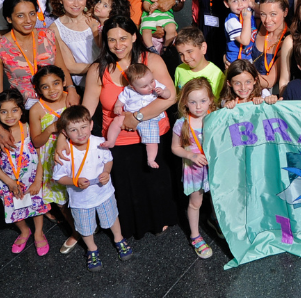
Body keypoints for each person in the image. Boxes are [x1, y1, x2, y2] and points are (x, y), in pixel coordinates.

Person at [69, 15, 179, 239]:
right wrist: (67, 134)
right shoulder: (97, 70)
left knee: (156, 183)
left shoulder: (152, 60)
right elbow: (87, 110)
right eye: (111, 40)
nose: (118, 45)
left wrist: (137, 117)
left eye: (123, 38)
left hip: (155, 135)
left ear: (134, 36)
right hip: (120, 140)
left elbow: (170, 97)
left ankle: (161, 219)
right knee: (130, 188)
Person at [0, 0, 78, 149]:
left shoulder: (48, 36)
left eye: (31, 13)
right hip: (25, 111)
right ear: (9, 19)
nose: (28, 20)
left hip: (55, 101)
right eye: (20, 16)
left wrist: (71, 89)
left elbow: (61, 68)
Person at [52, 105, 134, 272]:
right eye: (73, 130)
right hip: (81, 200)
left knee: (112, 217)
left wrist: (106, 171)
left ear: (90, 125)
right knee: (85, 226)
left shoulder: (98, 142)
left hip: (104, 193)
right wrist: (74, 181)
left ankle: (119, 238)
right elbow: (58, 177)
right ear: (65, 133)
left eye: (83, 127)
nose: (80, 133)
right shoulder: (64, 152)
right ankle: (92, 249)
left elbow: (108, 160)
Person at [0, 89, 50, 255]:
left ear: (22, 110)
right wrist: (9, 182)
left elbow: (41, 155)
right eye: (3, 112)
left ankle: (38, 232)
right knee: (14, 209)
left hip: (31, 179)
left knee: (37, 206)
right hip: (8, 182)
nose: (9, 116)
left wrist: (37, 180)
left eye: (14, 110)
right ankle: (24, 231)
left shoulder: (30, 129)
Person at [28, 65, 81, 254]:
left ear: (64, 82)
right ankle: (76, 231)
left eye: (56, 83)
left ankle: (87, 224)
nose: (52, 90)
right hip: (52, 160)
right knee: (62, 202)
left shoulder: (71, 98)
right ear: (37, 90)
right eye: (45, 87)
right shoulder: (36, 110)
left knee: (80, 194)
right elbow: (36, 141)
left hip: (76, 155)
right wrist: (50, 129)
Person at [170, 78, 217, 259]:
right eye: (193, 102)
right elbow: (175, 148)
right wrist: (191, 155)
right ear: (185, 103)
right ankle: (195, 235)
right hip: (195, 170)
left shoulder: (215, 117)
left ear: (211, 100)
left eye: (203, 101)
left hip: (215, 167)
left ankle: (215, 221)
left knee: (216, 197)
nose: (198, 107)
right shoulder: (181, 124)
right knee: (195, 203)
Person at [102, 62, 171, 170]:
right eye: (144, 86)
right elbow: (121, 100)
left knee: (151, 139)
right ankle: (111, 141)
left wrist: (162, 92)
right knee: (116, 121)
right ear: (133, 87)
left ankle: (151, 158)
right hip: (129, 115)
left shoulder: (156, 85)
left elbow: (168, 95)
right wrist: (117, 107)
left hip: (149, 118)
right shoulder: (128, 91)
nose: (150, 87)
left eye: (151, 81)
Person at [47, 0, 99, 88]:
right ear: (60, 0)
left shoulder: (96, 17)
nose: (76, 4)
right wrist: (101, 68)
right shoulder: (55, 29)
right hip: (85, 85)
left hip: (111, 76)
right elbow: (69, 66)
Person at [247, 0, 289, 91]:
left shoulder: (287, 41)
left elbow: (269, 81)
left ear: (285, 12)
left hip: (268, 95)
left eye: (273, 14)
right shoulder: (256, 25)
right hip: (245, 89)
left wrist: (241, 71)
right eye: (263, 14)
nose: (267, 20)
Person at [173, 27, 226, 99]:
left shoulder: (217, 75)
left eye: (189, 51)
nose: (185, 58)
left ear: (203, 48)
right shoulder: (179, 69)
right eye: (181, 54)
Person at [222, 0, 256, 65]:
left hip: (249, 57)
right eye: (235, 1)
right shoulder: (231, 21)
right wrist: (247, 19)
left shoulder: (247, 11)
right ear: (227, 4)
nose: (240, 4)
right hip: (236, 61)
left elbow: (263, 11)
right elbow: (244, 41)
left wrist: (251, 4)